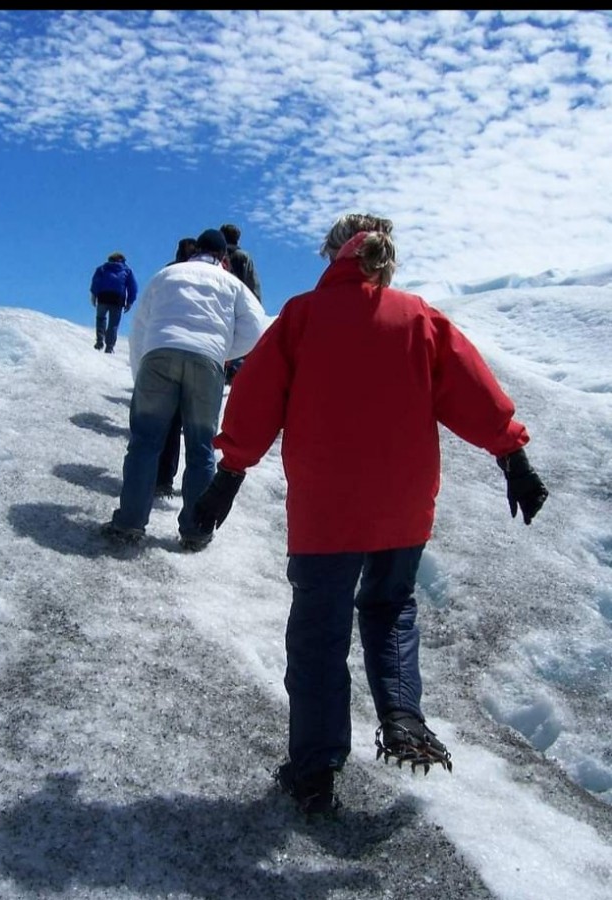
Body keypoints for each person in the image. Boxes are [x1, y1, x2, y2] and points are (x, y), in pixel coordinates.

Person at [191, 213, 549, 815]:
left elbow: (254, 402)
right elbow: (471, 388)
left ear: (333, 255)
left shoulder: (301, 318)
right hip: (402, 509)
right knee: (390, 609)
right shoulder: (418, 318)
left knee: (318, 639)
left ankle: (314, 772)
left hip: (327, 514)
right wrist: (513, 456)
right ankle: (403, 715)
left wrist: (227, 478)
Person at [101, 228, 267, 551]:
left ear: (195, 251)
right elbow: (256, 329)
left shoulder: (167, 275)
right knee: (201, 446)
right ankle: (196, 530)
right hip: (207, 361)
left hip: (159, 354)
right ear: (222, 258)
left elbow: (140, 328)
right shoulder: (232, 284)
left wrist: (141, 372)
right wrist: (222, 350)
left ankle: (129, 523)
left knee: (145, 442)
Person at [154, 237, 199, 498]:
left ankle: (161, 480)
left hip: (165, 349)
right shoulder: (215, 275)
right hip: (202, 355)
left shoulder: (169, 271)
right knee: (197, 431)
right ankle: (195, 513)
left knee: (166, 422)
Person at [219, 224, 262, 384]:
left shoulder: (218, 256)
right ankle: (235, 372)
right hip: (240, 305)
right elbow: (252, 284)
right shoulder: (244, 256)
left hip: (221, 305)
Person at [89, 251, 139, 354]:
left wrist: (94, 295)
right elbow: (132, 287)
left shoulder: (102, 269)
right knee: (113, 323)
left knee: (100, 318)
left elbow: (96, 282)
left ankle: (99, 341)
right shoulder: (127, 271)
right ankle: (110, 346)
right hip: (118, 299)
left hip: (103, 296)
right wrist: (130, 301)